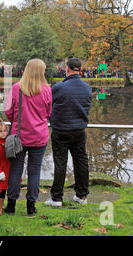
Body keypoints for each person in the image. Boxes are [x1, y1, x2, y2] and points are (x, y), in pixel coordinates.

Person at [4, 59, 52, 216]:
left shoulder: (17, 88)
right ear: (40, 72)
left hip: (19, 136)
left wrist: (18, 120)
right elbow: (48, 113)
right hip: (39, 136)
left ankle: (11, 205)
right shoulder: (46, 90)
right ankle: (31, 206)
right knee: (34, 171)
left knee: (15, 171)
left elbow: (9, 112)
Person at [45, 57, 92, 207]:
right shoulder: (87, 87)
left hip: (61, 131)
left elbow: (47, 103)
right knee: (81, 162)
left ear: (67, 69)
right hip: (79, 130)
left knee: (60, 163)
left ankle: (57, 198)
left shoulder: (60, 87)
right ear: (80, 70)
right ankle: (82, 195)